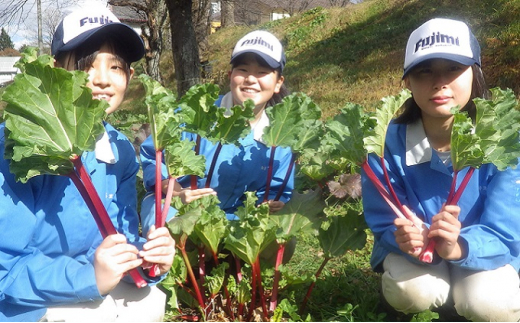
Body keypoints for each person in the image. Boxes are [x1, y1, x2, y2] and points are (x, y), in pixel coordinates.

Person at [0, 6, 175, 322]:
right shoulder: (13, 143)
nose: (103, 80)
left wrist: (148, 260)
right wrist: (89, 278)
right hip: (23, 308)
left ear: (129, 77)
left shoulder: (120, 149)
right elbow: (5, 270)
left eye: (117, 67)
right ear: (54, 70)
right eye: (85, 66)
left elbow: (116, 242)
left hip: (85, 295)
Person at [362, 18, 520, 321]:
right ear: (407, 81)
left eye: (453, 68)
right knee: (411, 292)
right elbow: (383, 220)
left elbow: (507, 230)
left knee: (491, 304)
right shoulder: (386, 143)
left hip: (481, 253)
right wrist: (404, 239)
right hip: (418, 258)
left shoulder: (504, 141)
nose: (439, 82)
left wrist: (460, 245)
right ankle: (437, 296)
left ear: (475, 74)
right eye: (424, 71)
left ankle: (466, 292)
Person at [140, 30, 295, 235]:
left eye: (262, 72)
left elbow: (278, 190)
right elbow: (154, 158)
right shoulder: (196, 112)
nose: (250, 79)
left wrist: (274, 204)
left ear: (278, 83)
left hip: (235, 220)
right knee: (163, 224)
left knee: (281, 238)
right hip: (181, 209)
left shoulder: (279, 134)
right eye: (243, 69)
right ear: (230, 76)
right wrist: (174, 191)